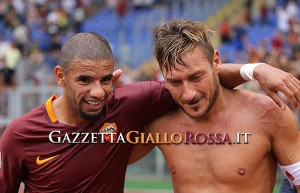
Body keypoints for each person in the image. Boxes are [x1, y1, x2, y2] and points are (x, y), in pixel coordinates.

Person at [0, 32, 299, 193]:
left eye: (105, 80)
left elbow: (202, 79)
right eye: (84, 80)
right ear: (60, 77)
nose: (96, 92)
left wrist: (254, 69)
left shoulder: (268, 113)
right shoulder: (19, 134)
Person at [129, 19, 300, 192]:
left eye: (196, 77)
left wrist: (255, 69)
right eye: (174, 82)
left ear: (216, 62)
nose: (189, 94)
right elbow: (106, 160)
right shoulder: (159, 123)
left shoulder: (268, 114)